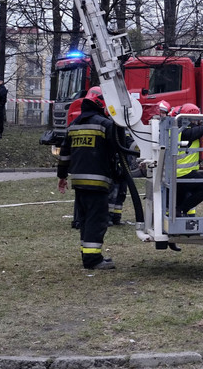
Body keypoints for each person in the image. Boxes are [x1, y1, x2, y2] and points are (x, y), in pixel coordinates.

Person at [57, 86, 120, 270]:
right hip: (98, 182)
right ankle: (92, 260)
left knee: (85, 220)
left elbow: (64, 154)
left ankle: (88, 255)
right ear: (100, 102)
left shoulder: (74, 125)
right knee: (97, 220)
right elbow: (118, 151)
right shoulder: (105, 125)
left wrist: (62, 176)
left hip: (79, 182)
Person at [173, 103, 203, 217]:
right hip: (181, 173)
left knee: (179, 199)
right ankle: (182, 209)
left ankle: (178, 212)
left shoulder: (176, 127)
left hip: (178, 173)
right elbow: (200, 130)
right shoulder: (183, 131)